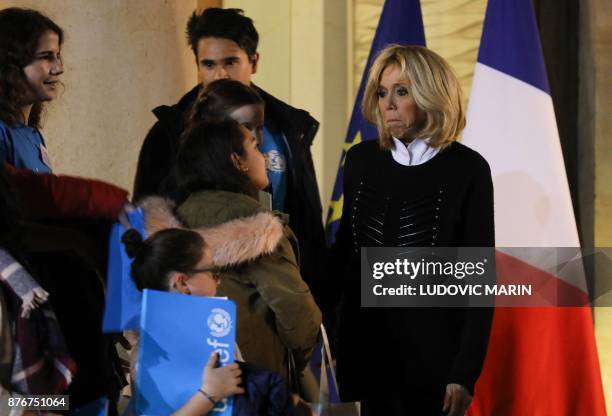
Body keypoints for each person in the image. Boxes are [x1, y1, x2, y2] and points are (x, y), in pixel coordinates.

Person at [332, 45, 494, 415]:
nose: (388, 103)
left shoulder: (467, 169)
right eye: (382, 92)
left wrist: (464, 372)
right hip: (364, 353)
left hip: (434, 361)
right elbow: (344, 255)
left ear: (430, 93)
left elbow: (478, 278)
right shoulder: (361, 160)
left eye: (402, 91)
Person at [133, 8, 326, 303]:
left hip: (280, 291)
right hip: (194, 298)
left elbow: (308, 223)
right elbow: (145, 224)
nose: (220, 74)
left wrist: (317, 298)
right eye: (208, 64)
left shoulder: (288, 128)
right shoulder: (168, 134)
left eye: (231, 62)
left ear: (254, 61)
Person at [172, 118, 321, 382]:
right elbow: (298, 316)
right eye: (254, 147)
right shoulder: (257, 226)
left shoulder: (172, 221)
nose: (263, 157)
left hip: (185, 381)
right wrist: (290, 369)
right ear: (237, 161)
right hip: (250, 383)